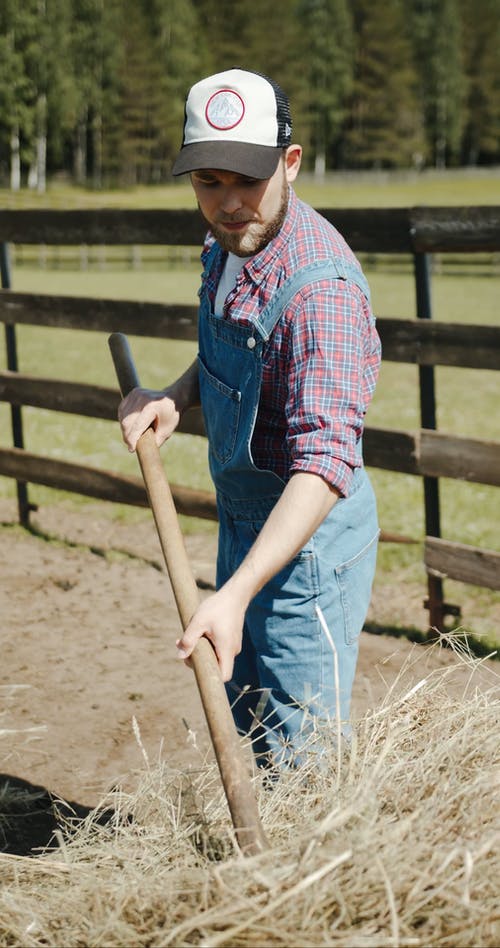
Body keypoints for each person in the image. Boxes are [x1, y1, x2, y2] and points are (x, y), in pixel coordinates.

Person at [118, 68, 381, 770]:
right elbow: (230, 350)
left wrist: (233, 594)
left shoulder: (319, 290)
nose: (230, 203)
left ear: (290, 163)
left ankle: (316, 878)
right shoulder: (225, 246)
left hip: (309, 548)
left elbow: (323, 466)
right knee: (252, 717)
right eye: (209, 181)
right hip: (244, 521)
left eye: (248, 179)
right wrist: (175, 394)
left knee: (306, 747)